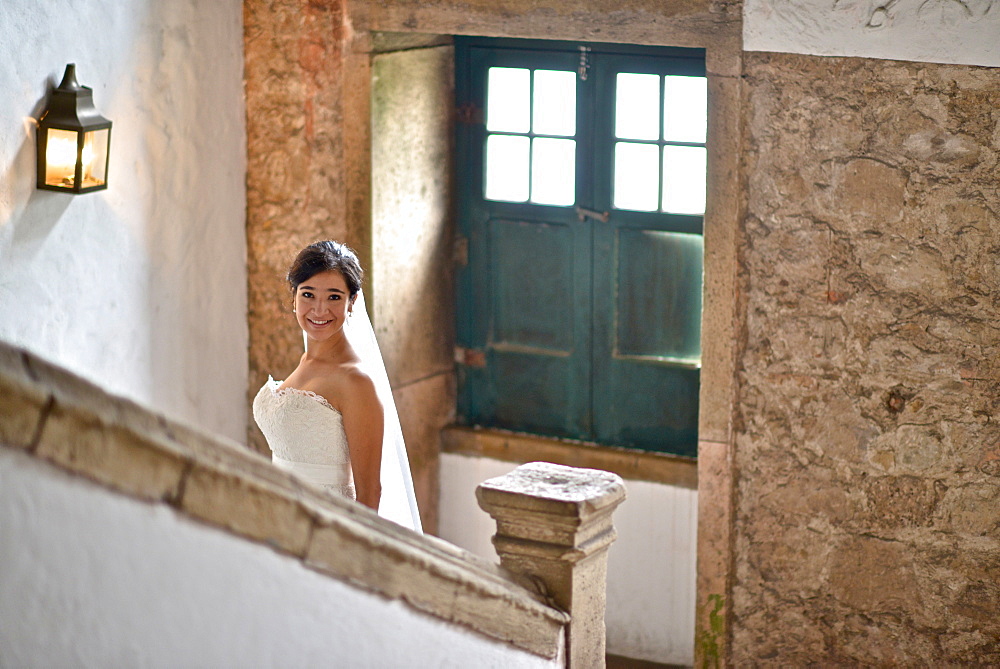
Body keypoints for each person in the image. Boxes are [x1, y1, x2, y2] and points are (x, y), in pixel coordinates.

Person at [252, 241, 422, 533]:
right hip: (278, 513)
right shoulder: (306, 362)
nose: (320, 309)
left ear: (352, 302)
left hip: (323, 526)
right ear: (293, 298)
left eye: (334, 296)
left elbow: (370, 494)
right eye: (308, 294)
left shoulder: (356, 382)